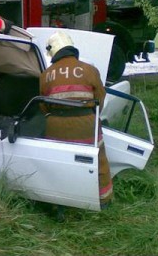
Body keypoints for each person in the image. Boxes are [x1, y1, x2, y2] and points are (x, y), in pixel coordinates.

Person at [39, 31, 113, 209]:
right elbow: (100, 100)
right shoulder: (89, 69)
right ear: (72, 48)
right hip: (86, 125)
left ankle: (60, 203)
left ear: (54, 52)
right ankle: (103, 200)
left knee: (59, 165)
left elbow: (42, 106)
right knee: (99, 160)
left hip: (55, 127)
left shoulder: (45, 75)